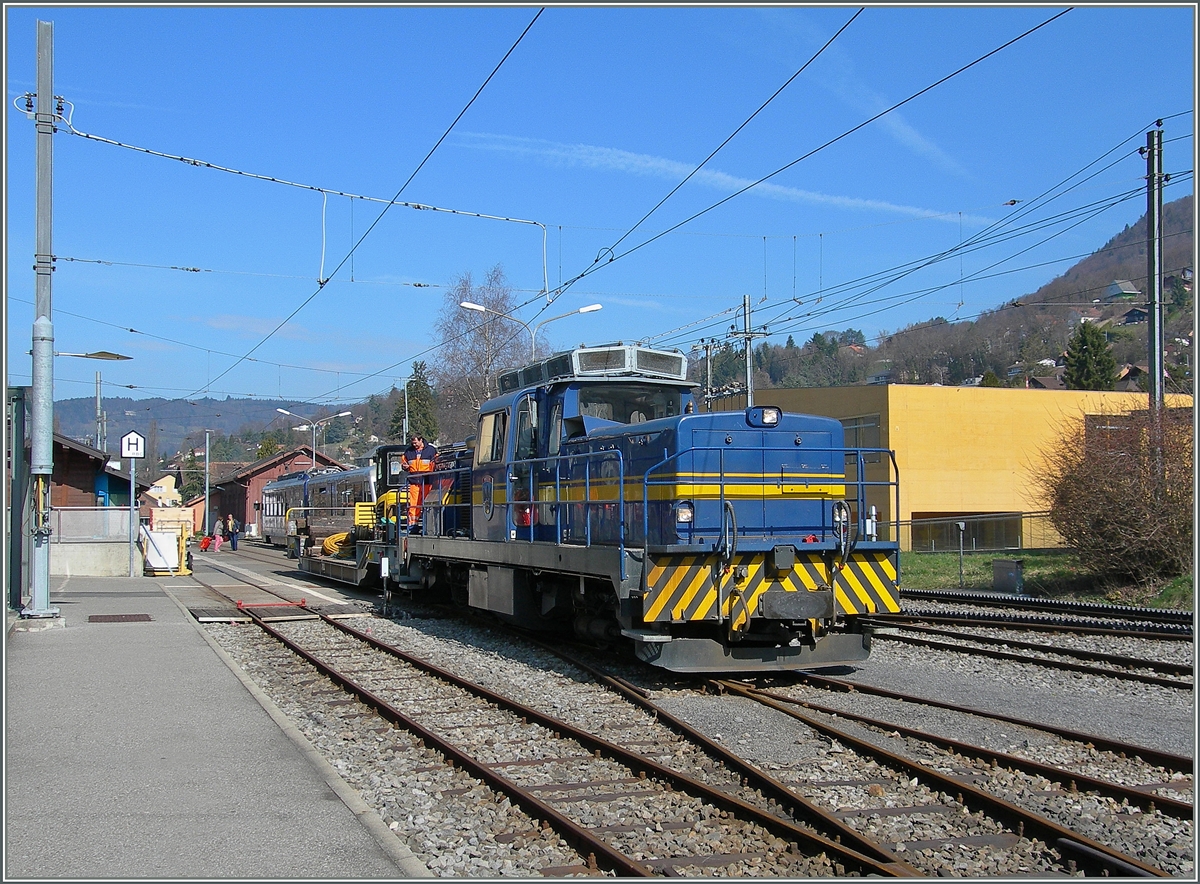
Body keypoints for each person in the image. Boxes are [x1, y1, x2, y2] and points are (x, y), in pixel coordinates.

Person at [399, 434, 437, 533]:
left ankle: (428, 525)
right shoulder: (408, 452)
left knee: (427, 504)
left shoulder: (431, 450)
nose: (414, 445)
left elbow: (436, 462)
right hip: (414, 482)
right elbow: (403, 462)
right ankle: (413, 526)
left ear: (421, 440)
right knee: (413, 505)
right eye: (413, 443)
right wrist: (404, 466)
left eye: (415, 442)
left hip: (428, 481)